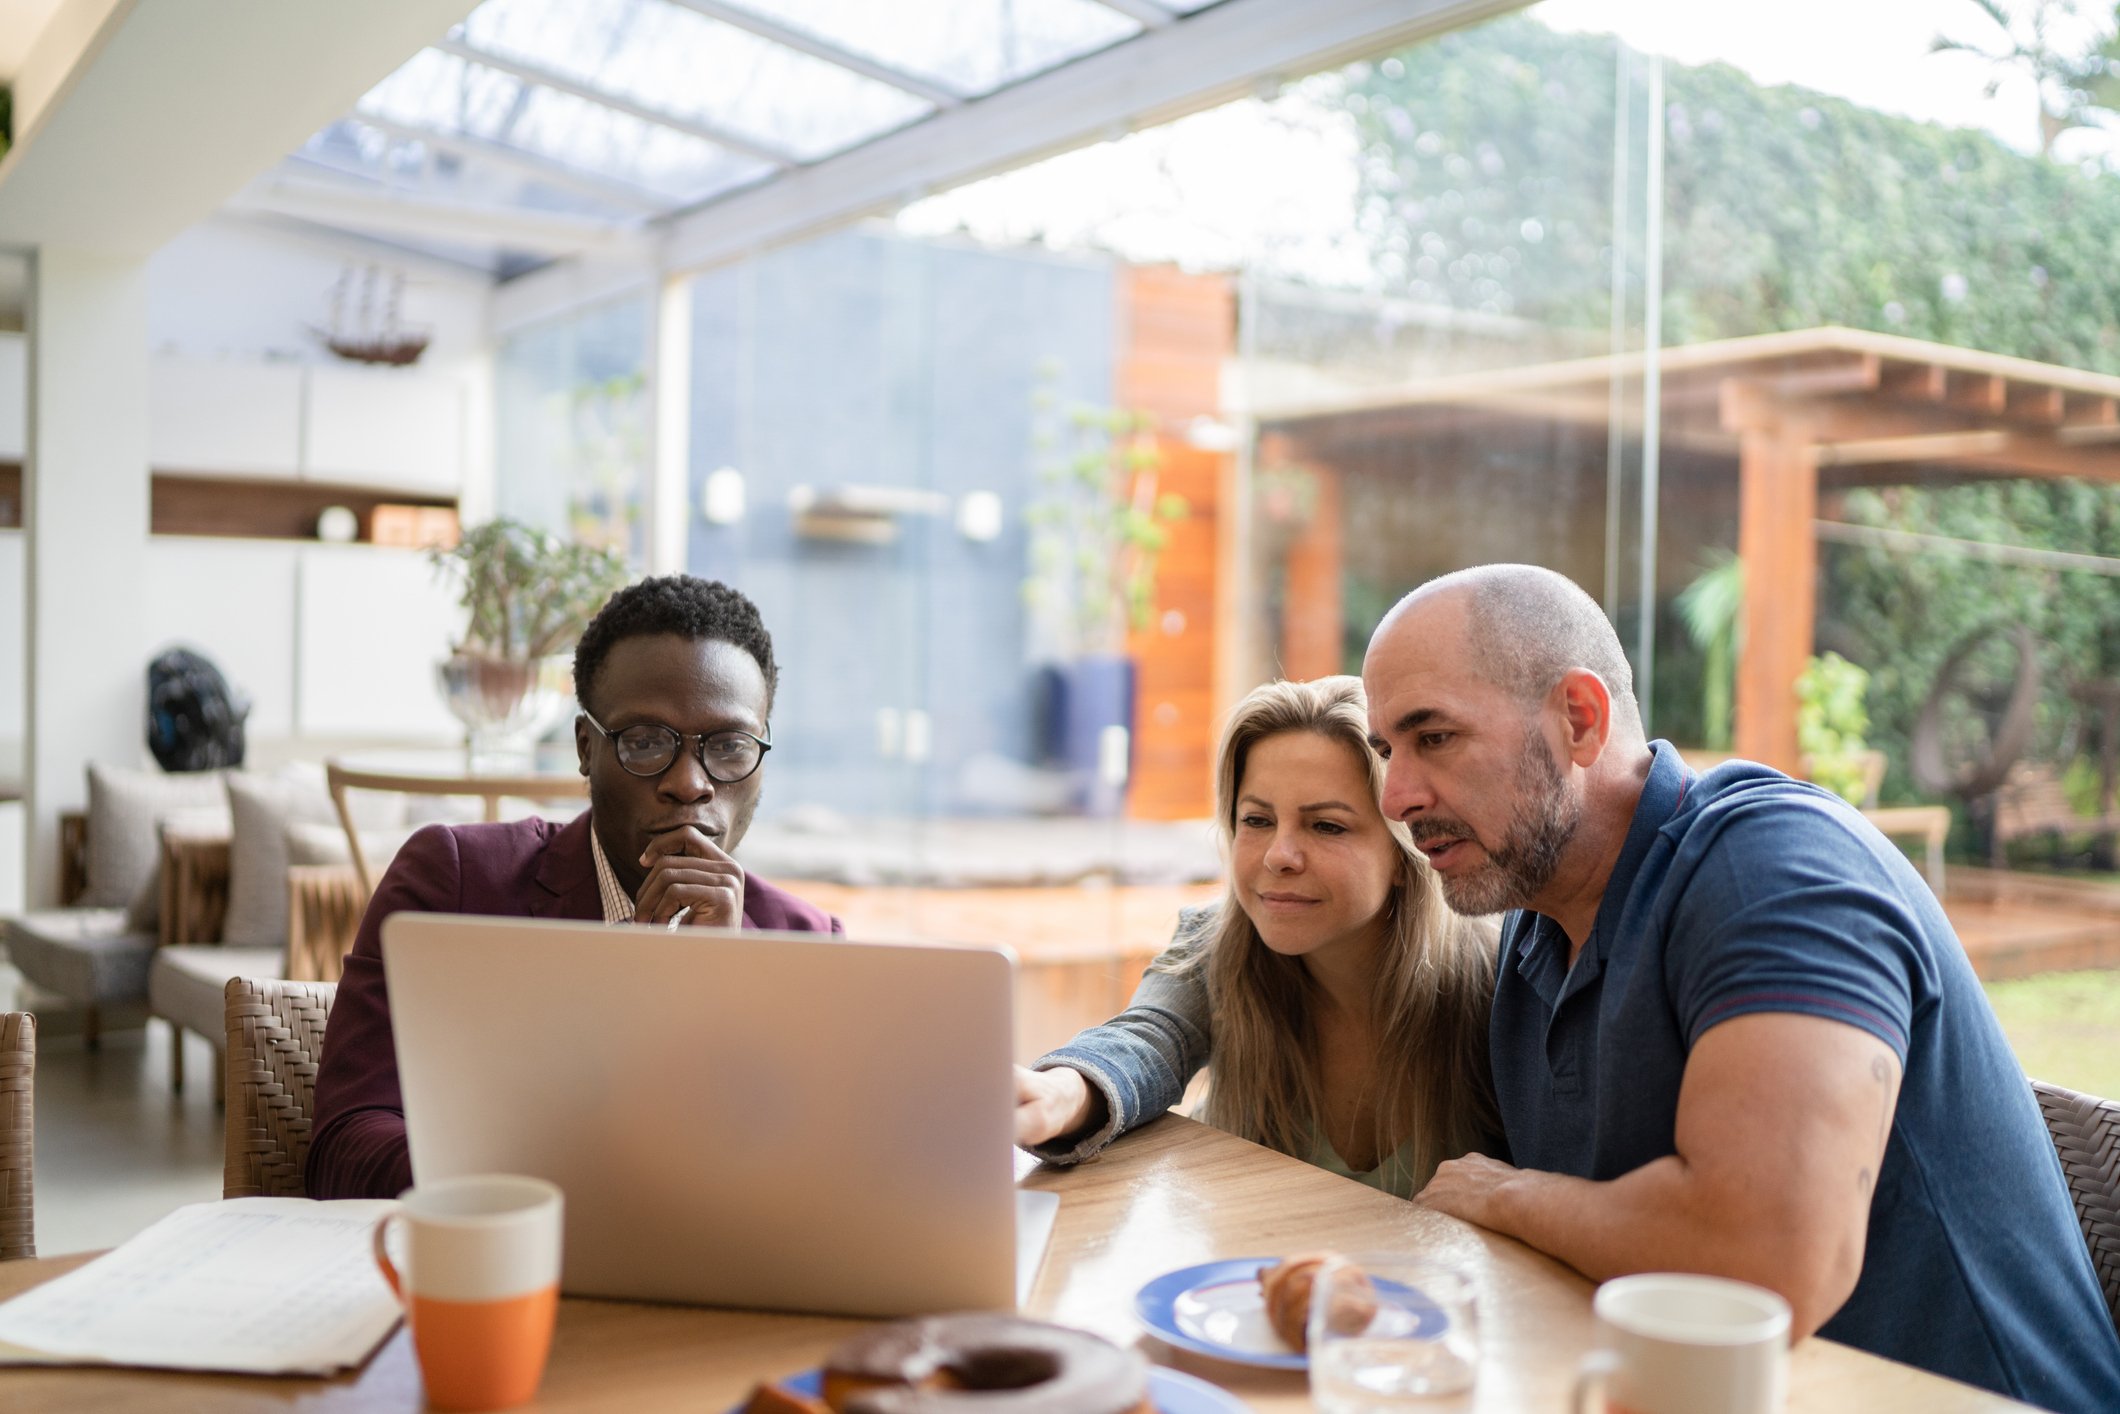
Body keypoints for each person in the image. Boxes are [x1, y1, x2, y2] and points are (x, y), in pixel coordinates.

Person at [1360, 563, 2120, 1411]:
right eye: (1387, 750)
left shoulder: (1773, 867)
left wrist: (1508, 1194)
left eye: (1434, 738)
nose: (1397, 797)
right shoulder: (1534, 934)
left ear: (1579, 719)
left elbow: (1770, 1260)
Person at [308, 575, 841, 1201]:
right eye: (646, 742)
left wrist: (720, 981)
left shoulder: (806, 945)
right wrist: (558, 1183)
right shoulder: (453, 882)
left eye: (729, 746)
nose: (691, 783)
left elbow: (817, 1185)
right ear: (587, 749)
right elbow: (343, 1148)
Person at [1014, 676, 1499, 1198]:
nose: (1278, 855)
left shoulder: (1497, 978)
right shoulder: (1213, 943)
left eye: (1326, 826)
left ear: (1408, 853)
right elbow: (1147, 1038)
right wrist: (1064, 1092)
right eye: (1257, 820)